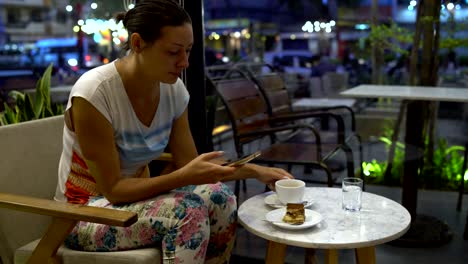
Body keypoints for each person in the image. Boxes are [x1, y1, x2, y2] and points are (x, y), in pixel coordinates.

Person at [53, 1, 293, 263]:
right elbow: (113, 189)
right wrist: (181, 177)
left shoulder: (173, 90)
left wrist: (257, 171)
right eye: (173, 52)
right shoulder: (95, 93)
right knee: (188, 213)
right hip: (82, 213)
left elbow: (190, 164)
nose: (185, 62)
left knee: (221, 197)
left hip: (132, 201)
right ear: (137, 44)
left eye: (188, 51)